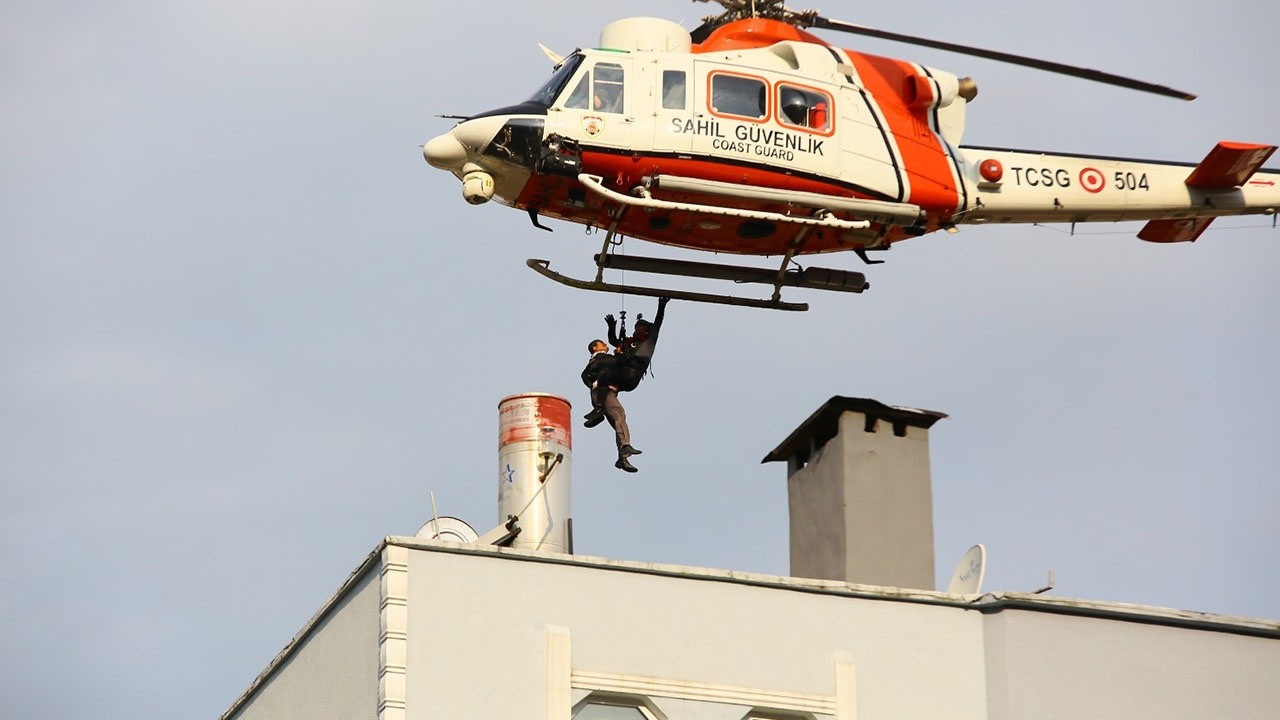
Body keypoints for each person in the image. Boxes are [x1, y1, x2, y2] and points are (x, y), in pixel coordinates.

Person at [580, 339, 642, 472]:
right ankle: (625, 447)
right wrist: (619, 354)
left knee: (618, 423)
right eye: (603, 344)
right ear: (596, 348)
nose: (606, 345)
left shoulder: (595, 362)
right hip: (605, 393)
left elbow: (584, 376)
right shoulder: (603, 358)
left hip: (602, 394)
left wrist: (592, 383)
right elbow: (615, 363)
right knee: (619, 414)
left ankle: (623, 458)